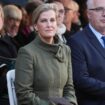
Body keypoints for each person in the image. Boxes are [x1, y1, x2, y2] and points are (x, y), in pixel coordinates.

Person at [15, 3, 77, 105]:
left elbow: (69, 87)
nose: (49, 25)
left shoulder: (66, 50)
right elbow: (24, 95)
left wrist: (70, 103)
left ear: (57, 23)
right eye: (44, 21)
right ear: (35, 26)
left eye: (52, 20)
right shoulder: (26, 52)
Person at [68, 0, 105, 105]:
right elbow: (81, 79)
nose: (104, 13)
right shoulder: (76, 41)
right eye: (99, 9)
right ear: (88, 14)